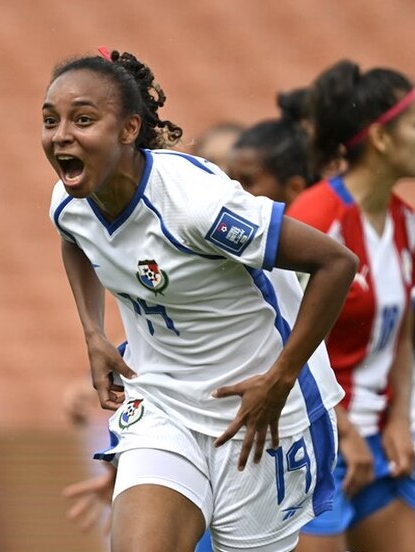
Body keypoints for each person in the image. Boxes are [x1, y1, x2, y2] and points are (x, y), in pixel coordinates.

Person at [43, 47, 358, 551]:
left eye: (82, 119)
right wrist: (93, 332)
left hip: (257, 411)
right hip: (164, 401)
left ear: (128, 130)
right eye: (50, 120)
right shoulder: (70, 202)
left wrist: (280, 379)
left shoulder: (196, 206)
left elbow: (336, 263)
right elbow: (73, 238)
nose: (61, 135)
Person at [232, 94, 415, 552]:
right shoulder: (288, 234)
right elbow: (280, 348)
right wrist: (345, 429)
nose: (233, 193)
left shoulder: (397, 225)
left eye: (245, 180)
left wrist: (401, 418)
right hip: (319, 440)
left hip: (386, 443)